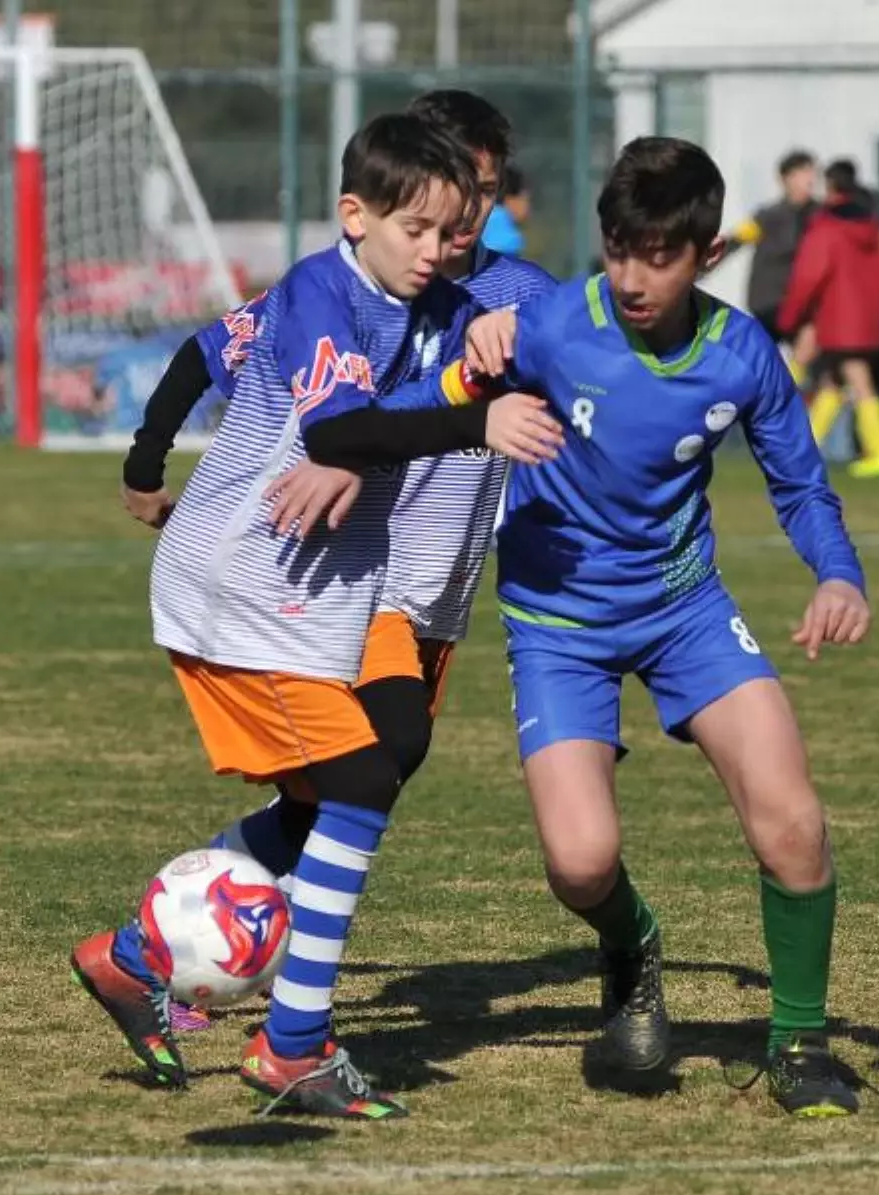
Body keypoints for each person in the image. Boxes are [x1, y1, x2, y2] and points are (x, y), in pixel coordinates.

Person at [70, 111, 562, 1115]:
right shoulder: (319, 288)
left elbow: (423, 384)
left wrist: (482, 365)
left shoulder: (432, 294)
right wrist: (476, 415)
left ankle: (132, 958)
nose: (442, 242)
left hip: (320, 588)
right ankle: (293, 1044)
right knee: (363, 777)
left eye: (456, 222)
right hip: (245, 583)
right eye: (420, 225)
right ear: (358, 213)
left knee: (355, 777)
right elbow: (341, 418)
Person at [401, 137, 872, 1116]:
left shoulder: (740, 355)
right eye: (618, 250)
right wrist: (480, 349)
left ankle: (798, 1045)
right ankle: (632, 943)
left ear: (703, 253)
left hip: (686, 611)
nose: (632, 276)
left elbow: (800, 482)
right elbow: (438, 377)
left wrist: (837, 573)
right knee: (579, 861)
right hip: (556, 622)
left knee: (793, 819)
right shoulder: (551, 325)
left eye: (656, 255)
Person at [778, 159, 879, 478]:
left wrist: (790, 316)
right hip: (866, 317)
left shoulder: (827, 225)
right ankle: (804, 452)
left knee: (859, 381)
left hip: (837, 316)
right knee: (832, 380)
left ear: (830, 186)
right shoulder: (873, 228)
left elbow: (809, 276)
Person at [723, 149, 819, 386]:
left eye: (811, 172)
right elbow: (735, 240)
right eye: (802, 173)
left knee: (810, 346)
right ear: (785, 179)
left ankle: (782, 395)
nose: (810, 179)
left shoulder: (819, 215)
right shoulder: (768, 216)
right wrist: (697, 266)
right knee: (770, 356)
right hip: (770, 299)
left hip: (799, 300)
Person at [481, 163, 530, 256]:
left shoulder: (479, 218)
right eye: (526, 199)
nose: (528, 209)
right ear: (511, 198)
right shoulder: (504, 234)